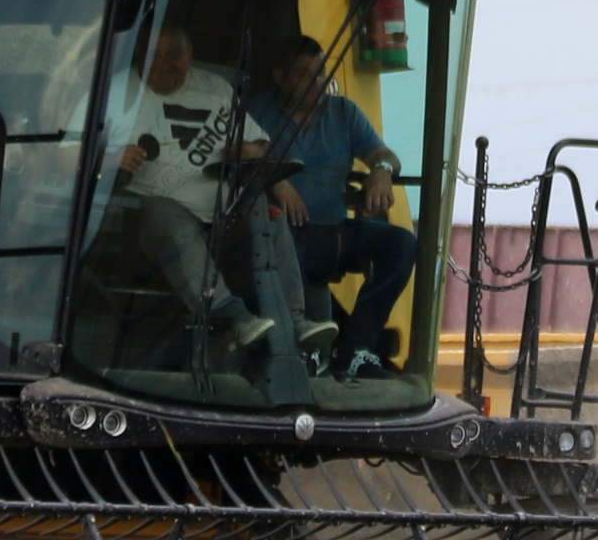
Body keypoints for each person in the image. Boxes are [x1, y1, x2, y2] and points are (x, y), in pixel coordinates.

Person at [97, 21, 277, 352]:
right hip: (151, 218)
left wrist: (247, 150)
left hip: (224, 216)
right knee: (165, 215)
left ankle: (294, 321)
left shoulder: (217, 88)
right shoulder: (113, 92)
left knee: (266, 210)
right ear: (139, 57)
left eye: (174, 54)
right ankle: (229, 315)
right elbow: (61, 155)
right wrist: (108, 158)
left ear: (190, 55)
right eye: (154, 56)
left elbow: (265, 148)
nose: (165, 64)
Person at [254, 32, 421, 375]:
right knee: (280, 251)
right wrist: (276, 180)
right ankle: (302, 352)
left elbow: (384, 154)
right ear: (280, 77)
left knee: (401, 244)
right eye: (304, 74)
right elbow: (237, 154)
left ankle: (356, 347)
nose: (316, 83)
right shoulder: (257, 111)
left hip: (335, 231)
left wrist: (382, 170)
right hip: (281, 234)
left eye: (320, 73)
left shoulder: (342, 112)